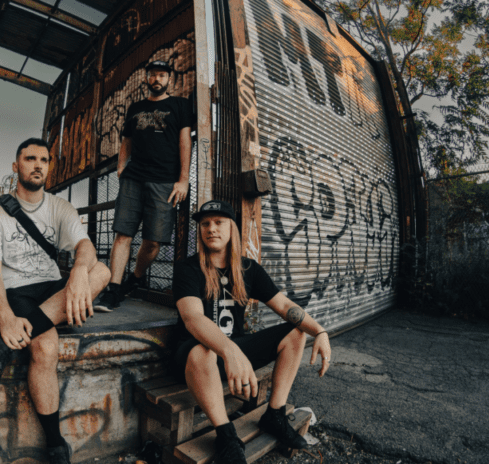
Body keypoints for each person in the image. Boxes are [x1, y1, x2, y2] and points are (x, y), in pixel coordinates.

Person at [0, 137, 111, 464]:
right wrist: (4, 315)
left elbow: (86, 248)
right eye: (30, 158)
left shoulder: (60, 207)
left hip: (51, 289)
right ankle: (54, 442)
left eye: (44, 160)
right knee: (45, 346)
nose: (37, 165)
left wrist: (77, 273)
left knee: (100, 270)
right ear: (16, 166)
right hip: (16, 291)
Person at [172, 200, 332, 464]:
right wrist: (229, 349)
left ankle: (275, 415)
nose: (211, 228)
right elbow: (192, 318)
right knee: (203, 351)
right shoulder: (187, 268)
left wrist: (320, 331)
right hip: (193, 358)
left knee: (295, 333)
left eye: (219, 222)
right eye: (205, 224)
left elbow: (284, 305)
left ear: (232, 228)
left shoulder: (248, 269)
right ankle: (225, 435)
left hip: (231, 352)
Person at [94, 60, 192, 311]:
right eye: (152, 75)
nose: (156, 79)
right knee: (122, 233)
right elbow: (126, 139)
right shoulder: (135, 108)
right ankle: (113, 290)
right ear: (146, 79)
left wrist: (183, 180)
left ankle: (135, 278)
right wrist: (121, 166)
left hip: (164, 181)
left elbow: (184, 142)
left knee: (154, 242)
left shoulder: (180, 105)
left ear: (169, 79)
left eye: (161, 75)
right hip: (133, 178)